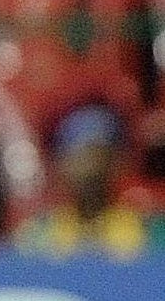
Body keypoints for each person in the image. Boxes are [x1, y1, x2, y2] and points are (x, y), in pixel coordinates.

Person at [15, 102, 165, 258]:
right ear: (61, 166)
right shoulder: (37, 237)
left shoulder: (151, 232)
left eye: (96, 156)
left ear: (117, 163)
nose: (89, 170)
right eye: (78, 158)